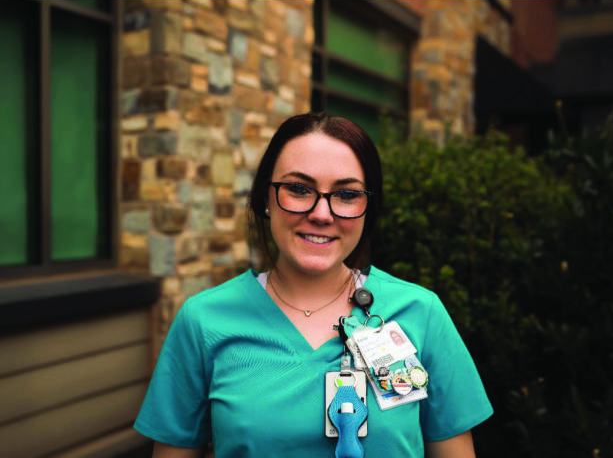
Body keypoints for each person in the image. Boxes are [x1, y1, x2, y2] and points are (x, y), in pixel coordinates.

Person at [134, 112, 493, 457]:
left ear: (368, 207)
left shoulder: (422, 314)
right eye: (298, 188)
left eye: (347, 194)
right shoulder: (203, 322)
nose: (322, 214)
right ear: (265, 199)